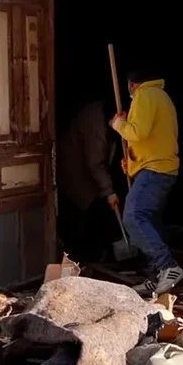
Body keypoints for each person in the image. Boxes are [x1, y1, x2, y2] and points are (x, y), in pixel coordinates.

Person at [110, 69, 183, 295]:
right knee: (150, 222)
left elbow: (137, 133)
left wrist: (118, 124)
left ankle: (168, 266)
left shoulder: (145, 95)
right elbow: (151, 139)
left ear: (132, 83)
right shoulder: (159, 96)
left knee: (133, 218)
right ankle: (156, 275)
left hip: (155, 170)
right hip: (157, 168)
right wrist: (133, 163)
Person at [58, 98, 120, 263]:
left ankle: (92, 256)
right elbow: (94, 161)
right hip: (76, 168)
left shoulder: (104, 119)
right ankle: (82, 258)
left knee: (91, 209)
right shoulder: (95, 122)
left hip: (87, 171)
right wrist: (109, 191)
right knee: (83, 212)